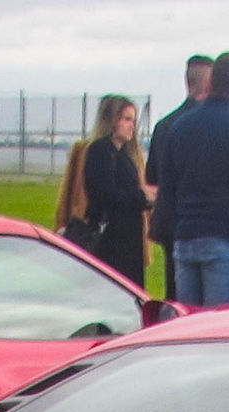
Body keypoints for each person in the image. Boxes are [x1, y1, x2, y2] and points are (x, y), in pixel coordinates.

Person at [158, 52, 229, 308]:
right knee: (218, 321)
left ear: (210, 82)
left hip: (186, 236)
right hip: (224, 238)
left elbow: (168, 184)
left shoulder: (181, 126)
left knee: (190, 324)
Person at [144, 55, 212, 304]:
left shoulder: (164, 125)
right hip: (204, 222)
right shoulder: (211, 124)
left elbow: (152, 176)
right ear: (209, 83)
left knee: (176, 291)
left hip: (170, 220)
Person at [77, 95, 150, 289]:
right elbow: (105, 193)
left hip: (128, 239)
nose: (131, 126)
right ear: (111, 120)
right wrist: (142, 197)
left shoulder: (124, 155)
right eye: (126, 119)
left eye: (133, 120)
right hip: (112, 239)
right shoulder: (100, 151)